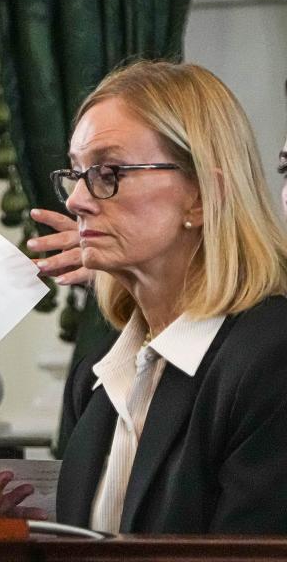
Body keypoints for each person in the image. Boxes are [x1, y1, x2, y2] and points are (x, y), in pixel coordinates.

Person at [33, 60, 287, 534]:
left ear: (201, 195)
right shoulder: (95, 376)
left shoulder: (273, 358)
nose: (76, 200)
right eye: (76, 172)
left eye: (108, 172)